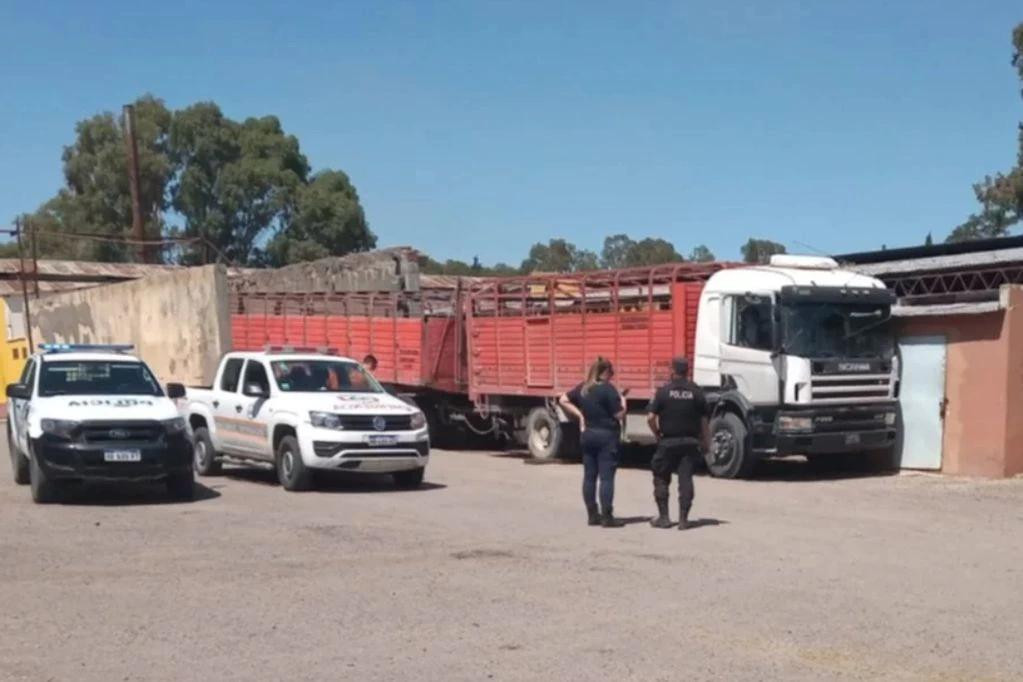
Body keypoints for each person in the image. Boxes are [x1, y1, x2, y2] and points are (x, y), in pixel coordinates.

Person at [559, 357, 627, 528]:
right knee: (606, 478)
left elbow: (562, 400)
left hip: (588, 435)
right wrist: (624, 403)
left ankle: (592, 515)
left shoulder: (584, 388)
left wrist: (580, 415)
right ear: (605, 372)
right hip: (606, 437)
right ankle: (607, 517)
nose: (612, 376)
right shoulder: (608, 389)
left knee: (589, 477)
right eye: (611, 372)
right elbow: (619, 415)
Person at [646, 357, 710, 531]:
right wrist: (706, 442)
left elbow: (650, 417)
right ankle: (683, 519)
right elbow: (704, 421)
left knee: (661, 477)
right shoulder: (696, 392)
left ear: (672, 371)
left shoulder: (663, 392)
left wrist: (657, 433)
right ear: (687, 372)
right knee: (685, 479)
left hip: (668, 441)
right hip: (690, 442)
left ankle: (664, 518)